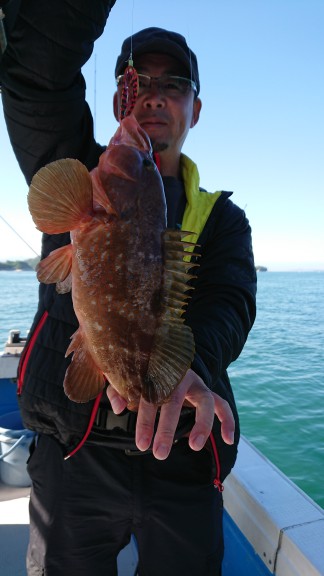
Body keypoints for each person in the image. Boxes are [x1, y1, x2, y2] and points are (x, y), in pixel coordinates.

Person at [0, 1, 257, 575]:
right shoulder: (80, 177)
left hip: (183, 445)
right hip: (74, 447)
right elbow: (36, 81)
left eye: (174, 83)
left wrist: (189, 366)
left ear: (196, 107)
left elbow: (230, 304)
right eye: (138, 81)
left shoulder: (222, 219)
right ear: (120, 98)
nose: (155, 94)